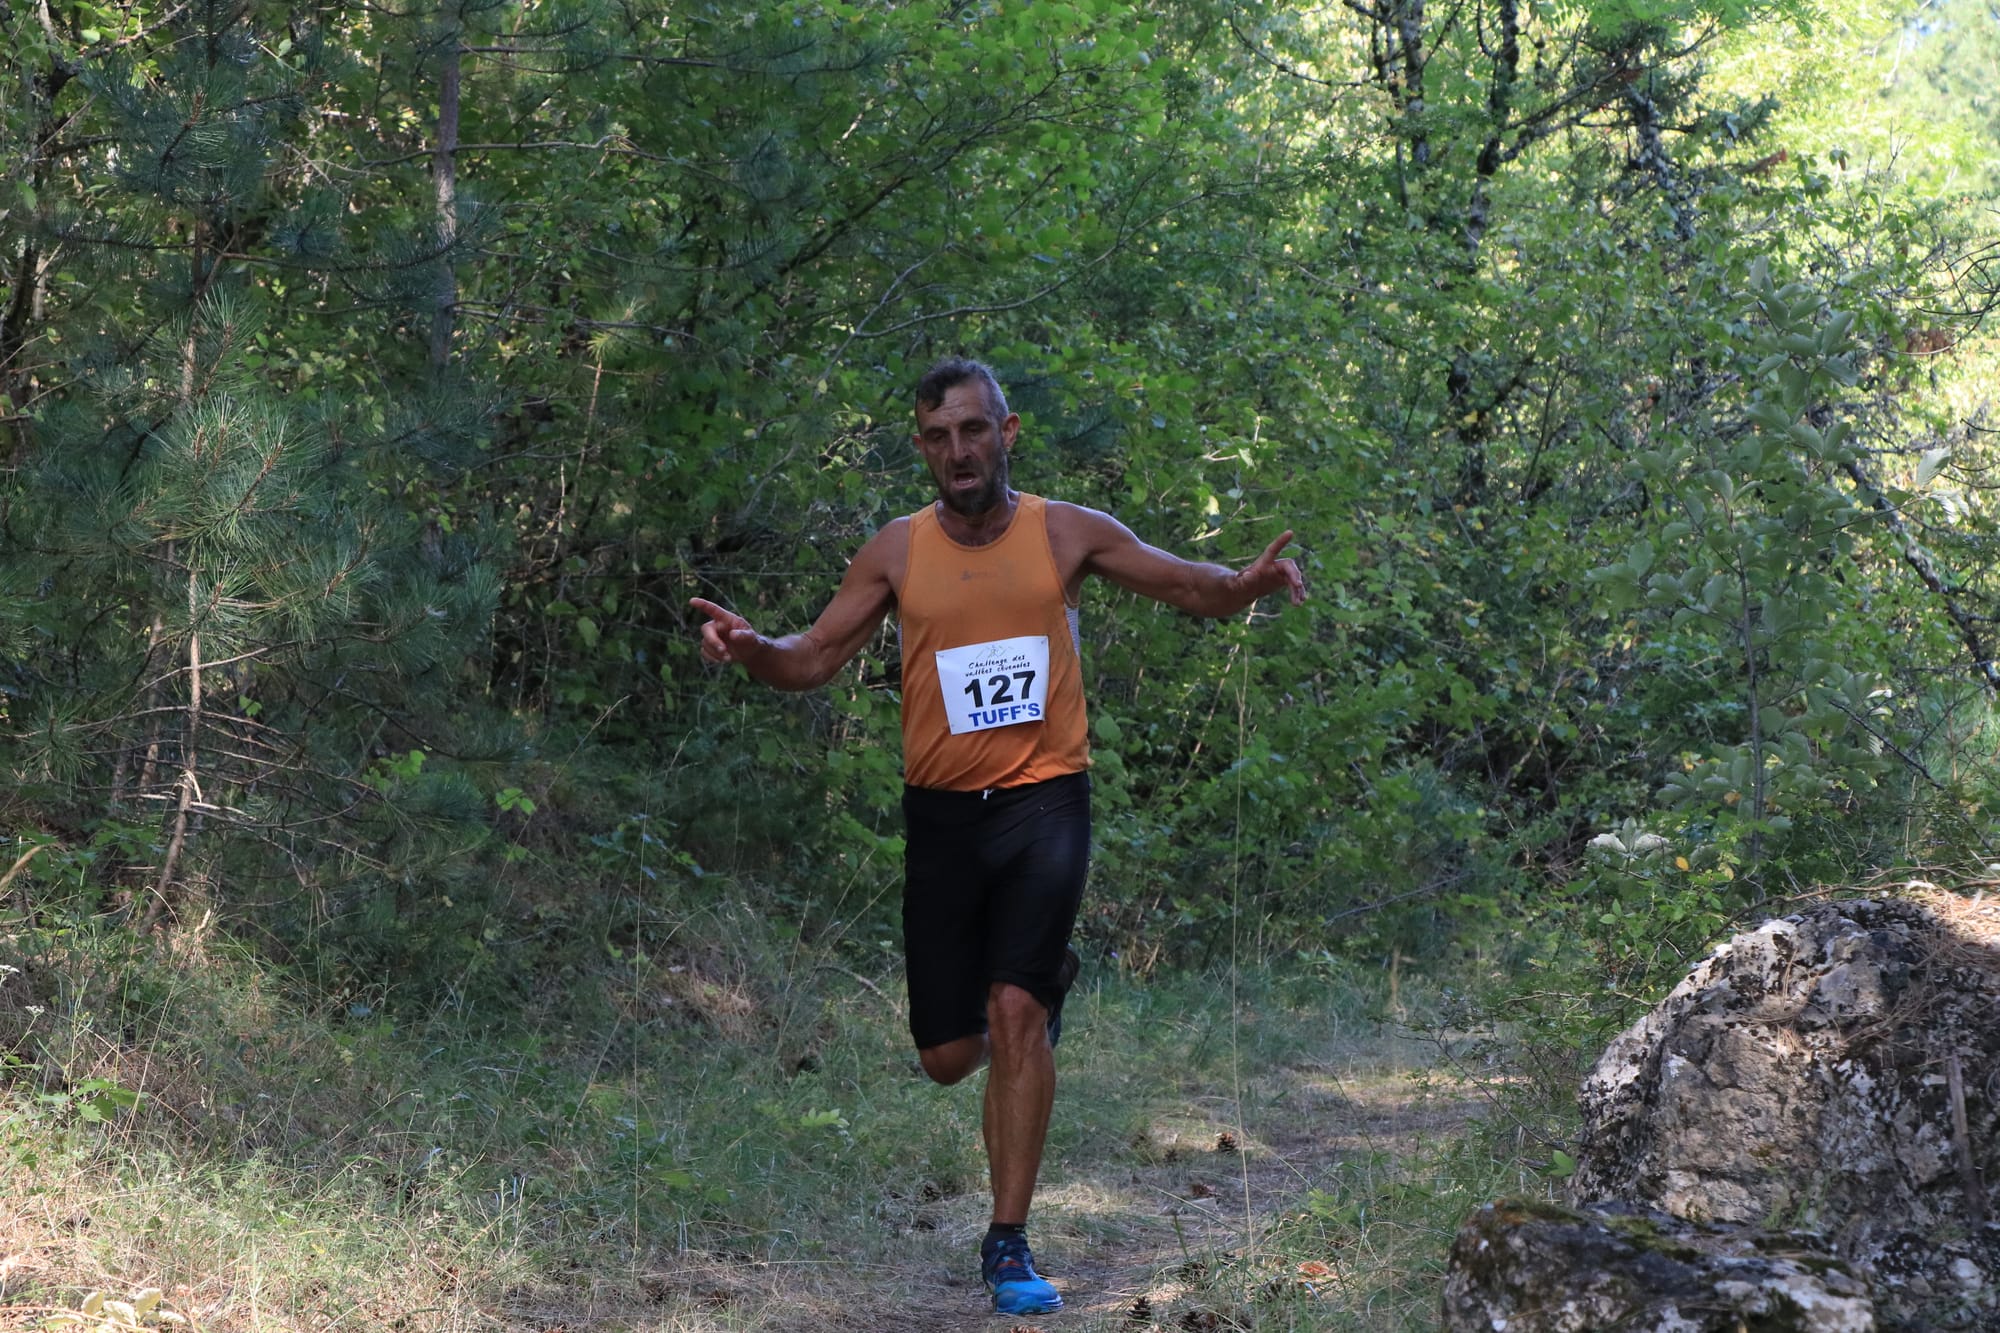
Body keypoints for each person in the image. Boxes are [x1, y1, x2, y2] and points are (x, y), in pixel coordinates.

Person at [689, 357, 1305, 1316]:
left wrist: (1249, 583)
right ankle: (1031, 1006)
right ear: (923, 447)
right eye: (938, 437)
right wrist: (751, 649)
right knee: (945, 1051)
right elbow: (811, 657)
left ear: (1007, 433)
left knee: (1015, 1012)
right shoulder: (896, 551)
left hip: (1044, 802)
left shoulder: (1064, 533)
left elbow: (1192, 587)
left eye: (973, 430)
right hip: (940, 817)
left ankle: (1008, 1240)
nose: (958, 451)